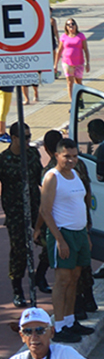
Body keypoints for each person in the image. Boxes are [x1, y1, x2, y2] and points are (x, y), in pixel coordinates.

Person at [39, 138, 92, 343]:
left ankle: (70, 321)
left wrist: (86, 233)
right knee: (62, 280)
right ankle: (59, 326)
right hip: (63, 233)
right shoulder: (52, 177)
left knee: (74, 278)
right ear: (57, 156)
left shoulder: (76, 174)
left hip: (79, 233)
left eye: (75, 156)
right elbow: (45, 211)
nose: (71, 160)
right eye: (66, 156)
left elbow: (81, 205)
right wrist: (60, 240)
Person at [1, 122, 43, 306]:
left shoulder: (33, 154)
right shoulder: (3, 159)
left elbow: (41, 178)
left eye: (30, 136)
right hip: (16, 212)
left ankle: (40, 277)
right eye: (25, 137)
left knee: (50, 242)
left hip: (36, 208)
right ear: (14, 138)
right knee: (19, 251)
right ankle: (17, 289)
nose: (28, 140)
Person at [53, 19, 90, 99]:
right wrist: (55, 65)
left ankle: (80, 99)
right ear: (66, 27)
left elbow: (86, 50)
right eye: (68, 25)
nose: (71, 26)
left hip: (79, 63)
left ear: (76, 25)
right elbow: (59, 51)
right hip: (67, 62)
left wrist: (88, 63)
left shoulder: (81, 36)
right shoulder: (64, 37)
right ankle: (72, 102)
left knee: (78, 82)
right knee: (70, 82)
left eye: (72, 24)